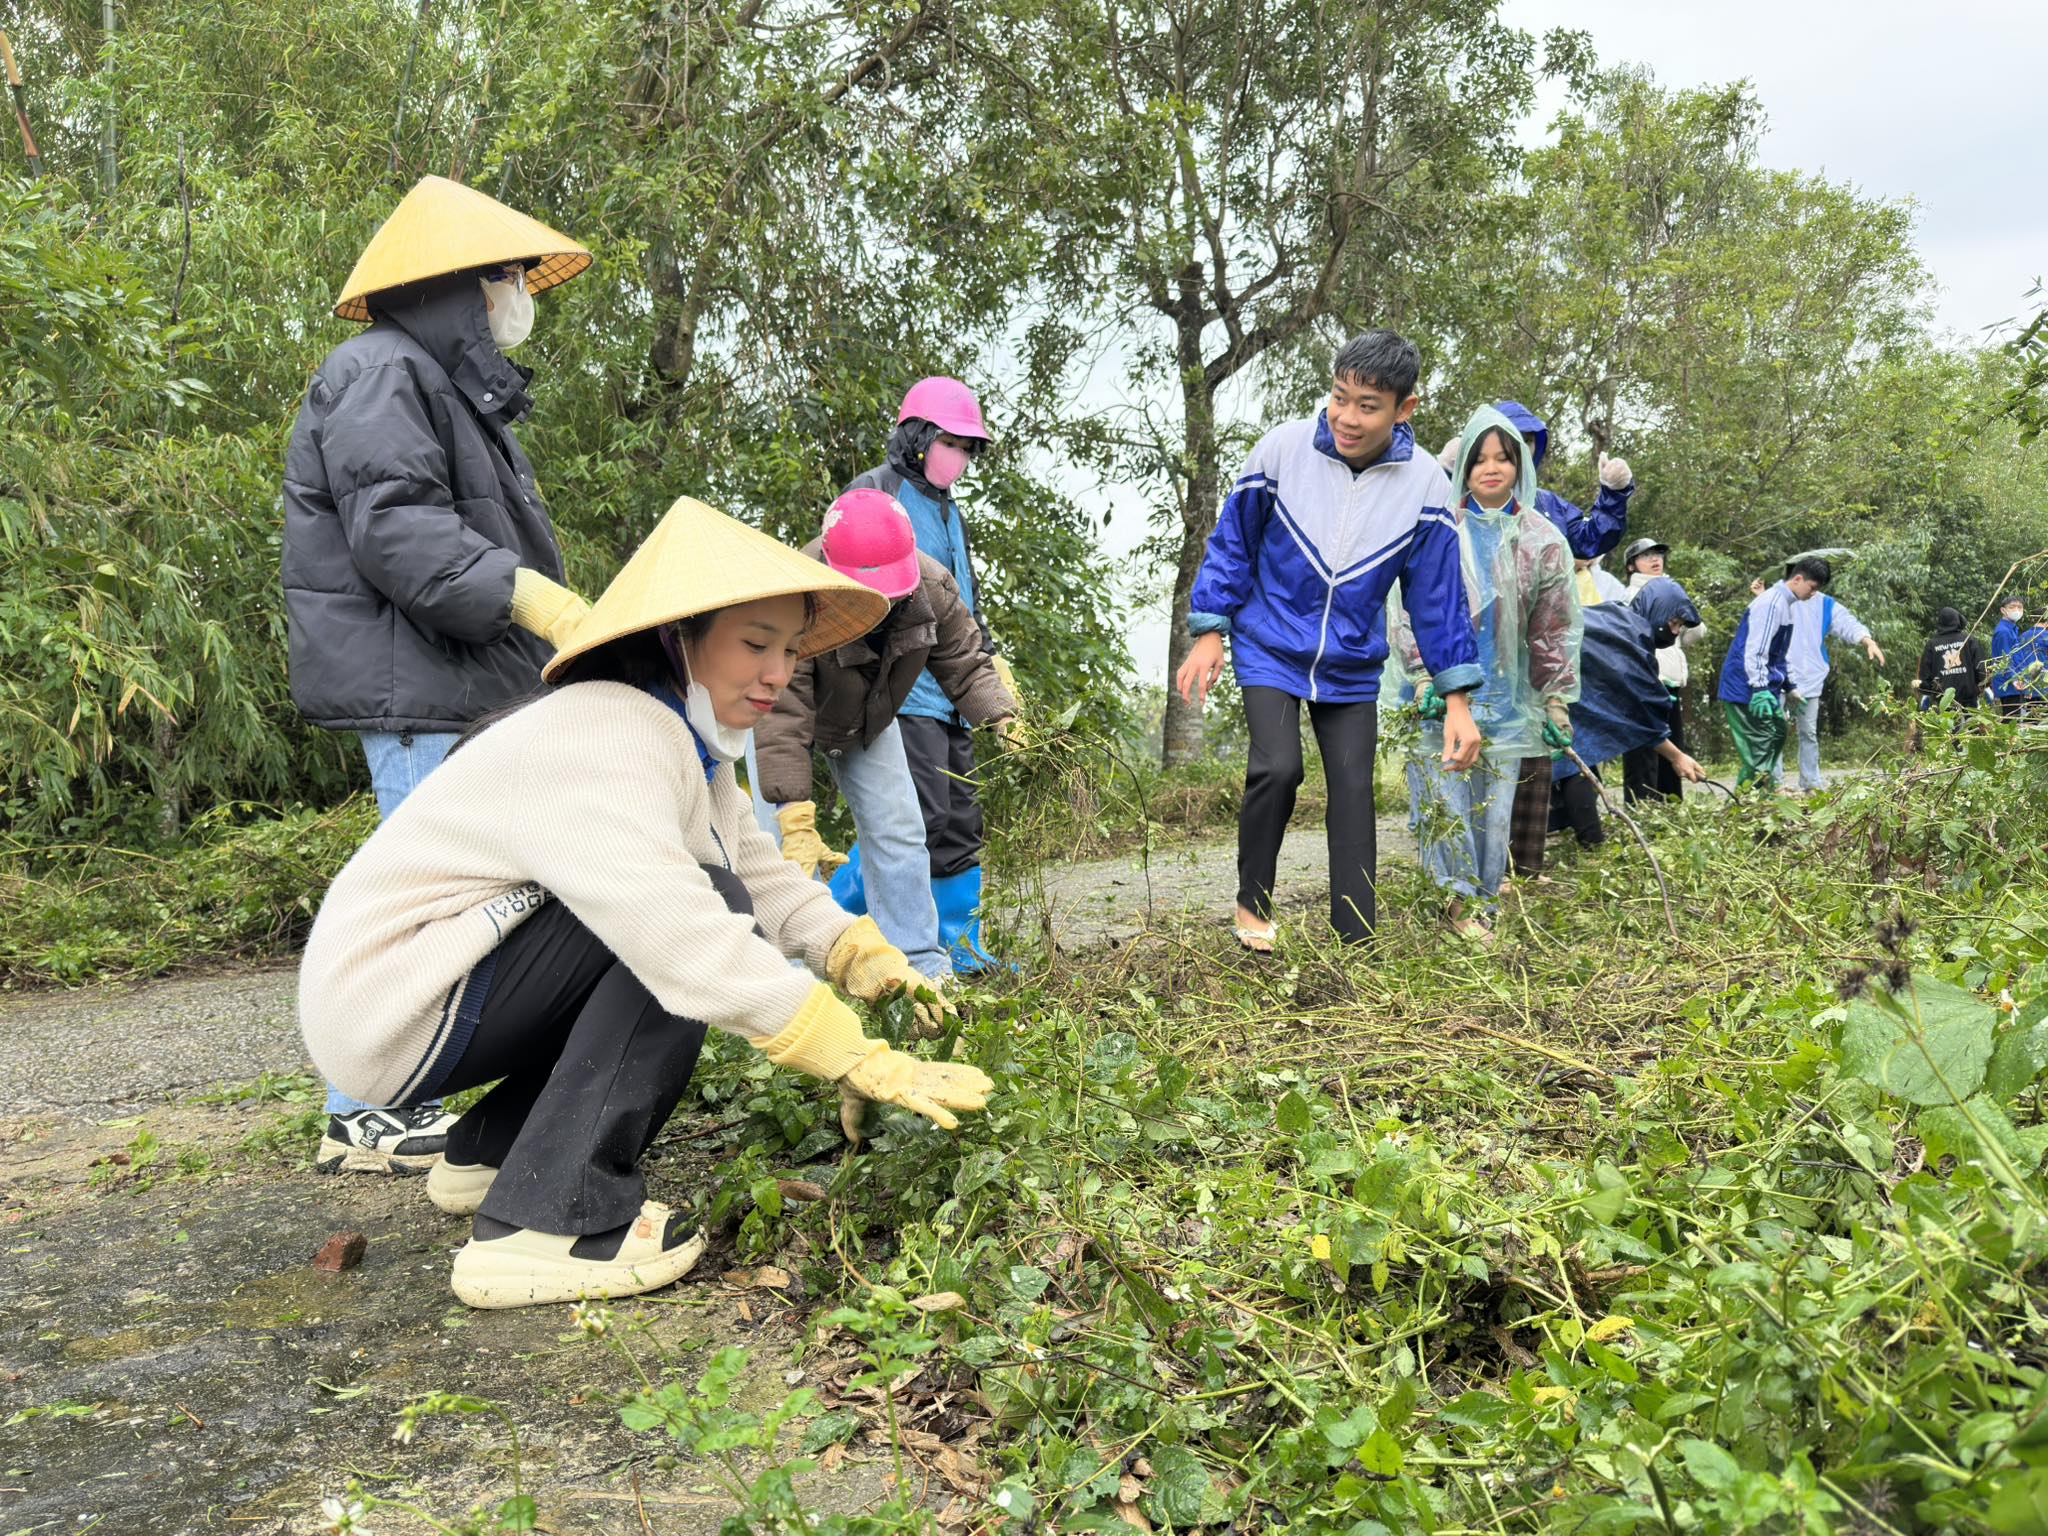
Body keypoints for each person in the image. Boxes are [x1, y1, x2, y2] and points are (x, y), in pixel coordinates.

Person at [296, 497, 994, 1309]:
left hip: (425, 992)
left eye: (790, 650)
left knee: (714, 886)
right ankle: (550, 1226)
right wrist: (846, 1049)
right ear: (678, 638)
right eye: (754, 644)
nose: (777, 673)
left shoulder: (682, 740)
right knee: (692, 909)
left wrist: (859, 956)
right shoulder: (608, 735)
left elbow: (764, 876)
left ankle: (495, 1152)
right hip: (392, 1004)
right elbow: (685, 935)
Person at [283, 175, 597, 1178]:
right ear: (465, 284)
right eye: (508, 276)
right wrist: (528, 595)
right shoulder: (380, 373)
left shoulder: (434, 379)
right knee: (418, 906)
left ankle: (389, 1103)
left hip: (451, 681)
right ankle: (362, 1111)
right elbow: (402, 532)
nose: (521, 295)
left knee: (457, 897)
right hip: (420, 683)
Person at [1177, 330, 1484, 952]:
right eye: (1340, 396)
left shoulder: (1425, 484)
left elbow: (1436, 600)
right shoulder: (1283, 450)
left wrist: (1457, 699)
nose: (1346, 416)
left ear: (1405, 409)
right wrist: (1211, 630)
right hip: (1269, 643)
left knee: (1352, 787)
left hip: (1349, 662)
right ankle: (1252, 903)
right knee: (1278, 766)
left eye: (1368, 405)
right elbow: (1231, 545)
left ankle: (1356, 939)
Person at [748, 490, 1019, 980]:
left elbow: (965, 662)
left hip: (865, 717)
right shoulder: (796, 594)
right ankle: (784, 972)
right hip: (774, 710)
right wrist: (791, 810)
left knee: (901, 831)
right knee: (780, 849)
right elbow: (782, 709)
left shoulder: (932, 587)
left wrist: (1003, 717)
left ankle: (917, 964)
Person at [1394, 406, 1580, 939]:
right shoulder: (1438, 529)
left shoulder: (1542, 539)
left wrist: (1555, 701)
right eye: (1480, 459)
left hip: (1509, 699)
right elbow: (1409, 609)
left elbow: (1553, 629)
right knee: (1445, 798)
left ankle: (1482, 906)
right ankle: (1455, 907)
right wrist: (1426, 677)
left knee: (1493, 812)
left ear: (1521, 464)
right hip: (1443, 690)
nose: (1492, 468)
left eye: (1504, 457)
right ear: (1464, 468)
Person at [842, 378, 1007, 970]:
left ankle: (961, 945)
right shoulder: (876, 492)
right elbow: (849, 594)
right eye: (951, 443)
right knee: (916, 817)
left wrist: (989, 661)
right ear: (917, 437)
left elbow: (960, 597)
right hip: (904, 690)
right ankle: (834, 926)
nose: (959, 458)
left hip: (952, 694)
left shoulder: (949, 510)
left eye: (968, 448)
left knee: (960, 818)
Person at [1549, 581, 1708, 846]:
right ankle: (1591, 846)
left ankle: (1587, 842)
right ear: (1660, 613)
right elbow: (1642, 715)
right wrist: (1677, 757)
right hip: (1546, 687)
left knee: (1578, 768)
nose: (1676, 632)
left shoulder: (1617, 617)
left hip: (1557, 687)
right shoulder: (1630, 638)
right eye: (1676, 623)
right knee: (1573, 767)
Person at [1441, 401, 1634, 558]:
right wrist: (1447, 473)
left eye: (1528, 440)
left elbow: (1589, 539)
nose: (1521, 447)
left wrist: (1614, 493)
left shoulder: (1546, 504)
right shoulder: (1463, 498)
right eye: (1512, 437)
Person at [1716, 555, 1833, 790]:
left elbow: (1778, 654)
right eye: (1812, 588)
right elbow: (1756, 651)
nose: (1813, 594)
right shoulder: (1771, 603)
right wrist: (1759, 688)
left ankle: (1759, 803)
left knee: (1774, 740)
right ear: (1798, 579)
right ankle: (1745, 808)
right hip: (1746, 689)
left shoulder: (1787, 605)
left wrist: (1790, 686)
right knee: (1760, 755)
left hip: (1763, 688)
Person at [1778, 574, 1884, 790]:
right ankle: (1773, 784)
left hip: (1810, 680)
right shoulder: (1779, 598)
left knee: (1808, 733)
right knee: (1774, 732)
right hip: (1778, 677)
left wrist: (1867, 641)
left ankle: (1811, 783)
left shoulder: (1825, 604)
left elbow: (1847, 624)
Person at [1621, 538, 1706, 802]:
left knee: (1673, 748)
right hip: (1644, 681)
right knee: (1643, 748)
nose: (1655, 559)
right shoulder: (1628, 597)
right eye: (1646, 556)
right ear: (1631, 566)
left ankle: (1670, 807)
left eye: (1658, 554)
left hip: (1670, 682)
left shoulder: (1671, 589)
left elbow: (1697, 632)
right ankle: (1642, 809)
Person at [1914, 607, 1988, 711]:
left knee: (1947, 726)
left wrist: (1927, 691)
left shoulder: (1932, 644)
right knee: (1970, 725)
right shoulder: (1968, 640)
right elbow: (1981, 668)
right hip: (1969, 700)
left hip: (1943, 701)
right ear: (1958, 620)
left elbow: (1925, 675)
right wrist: (1983, 686)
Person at [1990, 596, 2039, 716]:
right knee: (2012, 721)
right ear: (2003, 610)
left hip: (2015, 684)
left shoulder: (2012, 630)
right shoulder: (2004, 632)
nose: (2016, 610)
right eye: (2012, 607)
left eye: (2020, 607)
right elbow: (2005, 659)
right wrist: (2016, 680)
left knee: (2016, 719)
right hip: (2009, 686)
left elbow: (2017, 658)